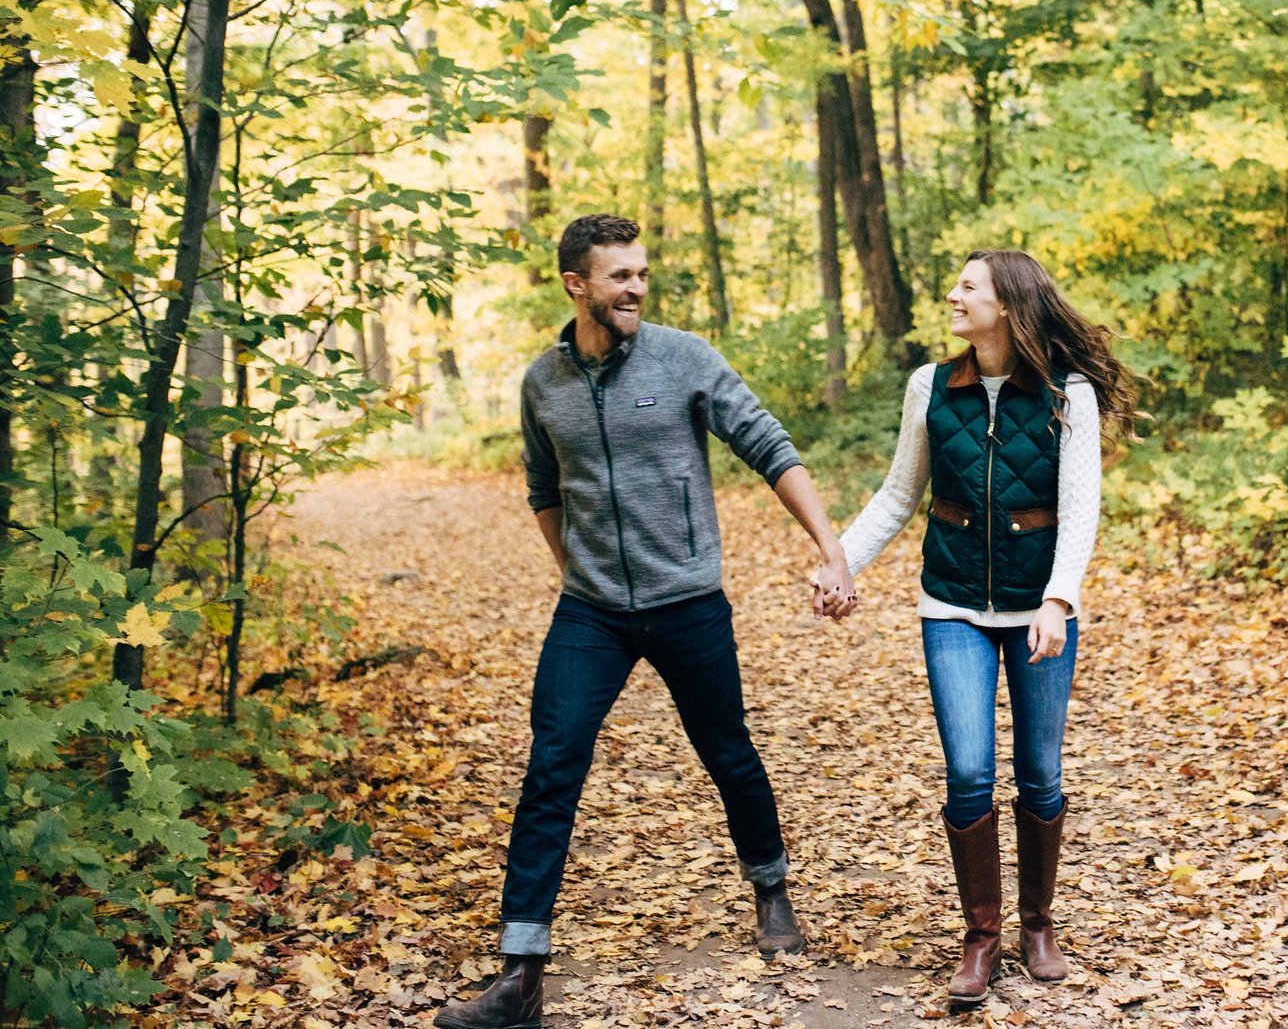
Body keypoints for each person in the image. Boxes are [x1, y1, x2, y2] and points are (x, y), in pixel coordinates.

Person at [436, 213, 856, 1029]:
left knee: (727, 749)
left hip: (688, 602)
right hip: (590, 611)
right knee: (552, 763)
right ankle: (520, 975)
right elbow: (542, 490)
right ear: (576, 285)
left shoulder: (685, 358)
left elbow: (770, 447)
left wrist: (831, 548)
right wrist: (576, 574)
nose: (635, 287)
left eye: (640, 273)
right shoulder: (542, 383)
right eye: (619, 275)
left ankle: (770, 884)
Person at [836, 249, 1139, 1005]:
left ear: (1006, 304)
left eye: (967, 286)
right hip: (952, 605)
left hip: (1040, 610)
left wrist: (1059, 599)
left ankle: (1038, 923)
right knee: (968, 769)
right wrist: (838, 560)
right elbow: (899, 493)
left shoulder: (1069, 392)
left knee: (1040, 769)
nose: (952, 294)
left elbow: (1081, 508)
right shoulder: (930, 386)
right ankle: (982, 936)